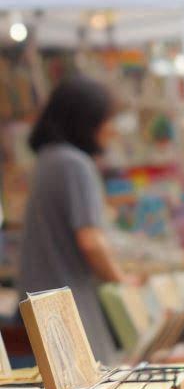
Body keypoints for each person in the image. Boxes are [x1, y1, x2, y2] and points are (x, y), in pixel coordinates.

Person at [19, 75, 132, 364]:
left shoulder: (48, 158)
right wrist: (122, 279)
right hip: (68, 304)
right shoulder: (74, 163)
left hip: (42, 301)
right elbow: (90, 242)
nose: (111, 129)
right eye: (107, 119)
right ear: (86, 120)